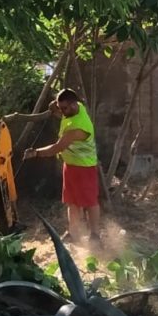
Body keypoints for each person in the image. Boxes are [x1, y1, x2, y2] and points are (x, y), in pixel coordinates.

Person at [21, 89, 102, 242]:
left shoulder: (78, 127)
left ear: (72, 105)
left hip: (85, 168)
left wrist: (35, 152)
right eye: (60, 107)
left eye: (64, 108)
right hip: (70, 165)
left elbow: (56, 148)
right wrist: (55, 106)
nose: (61, 111)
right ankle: (73, 233)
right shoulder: (75, 108)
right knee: (72, 202)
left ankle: (95, 235)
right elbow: (61, 111)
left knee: (90, 202)